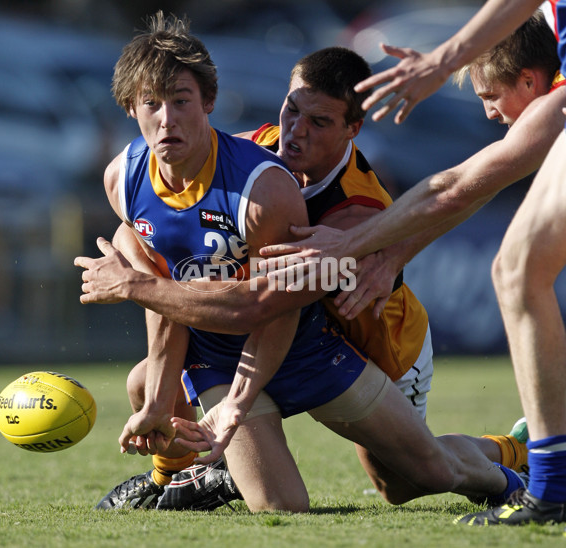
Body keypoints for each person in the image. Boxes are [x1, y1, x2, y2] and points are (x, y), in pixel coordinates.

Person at [76, 16, 526, 516]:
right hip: (264, 333)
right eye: (292, 110)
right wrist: (141, 274)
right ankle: (177, 480)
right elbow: (167, 270)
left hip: (370, 338)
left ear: (352, 128)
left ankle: (516, 454)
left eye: (319, 122)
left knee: (405, 481)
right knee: (147, 382)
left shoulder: (351, 206)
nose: (295, 131)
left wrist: (137, 284)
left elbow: (264, 306)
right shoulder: (218, 155)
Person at [259, 0, 566, 525]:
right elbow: (468, 191)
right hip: (336, 349)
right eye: (292, 112)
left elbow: (451, 189)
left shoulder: (359, 194)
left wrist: (442, 61)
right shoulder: (258, 153)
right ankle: (543, 477)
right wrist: (394, 252)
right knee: (394, 486)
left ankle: (548, 486)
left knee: (515, 272)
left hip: (387, 347)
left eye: (491, 96)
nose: (488, 112)